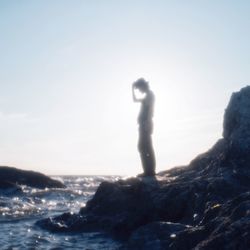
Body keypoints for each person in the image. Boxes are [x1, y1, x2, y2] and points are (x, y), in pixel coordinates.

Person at [132, 78, 156, 176]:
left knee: (144, 147)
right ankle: (149, 170)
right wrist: (132, 89)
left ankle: (149, 171)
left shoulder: (150, 95)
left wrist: (148, 122)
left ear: (143, 86)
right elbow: (134, 100)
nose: (139, 91)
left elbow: (150, 110)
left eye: (139, 88)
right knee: (144, 146)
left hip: (145, 123)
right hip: (144, 123)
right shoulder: (147, 96)